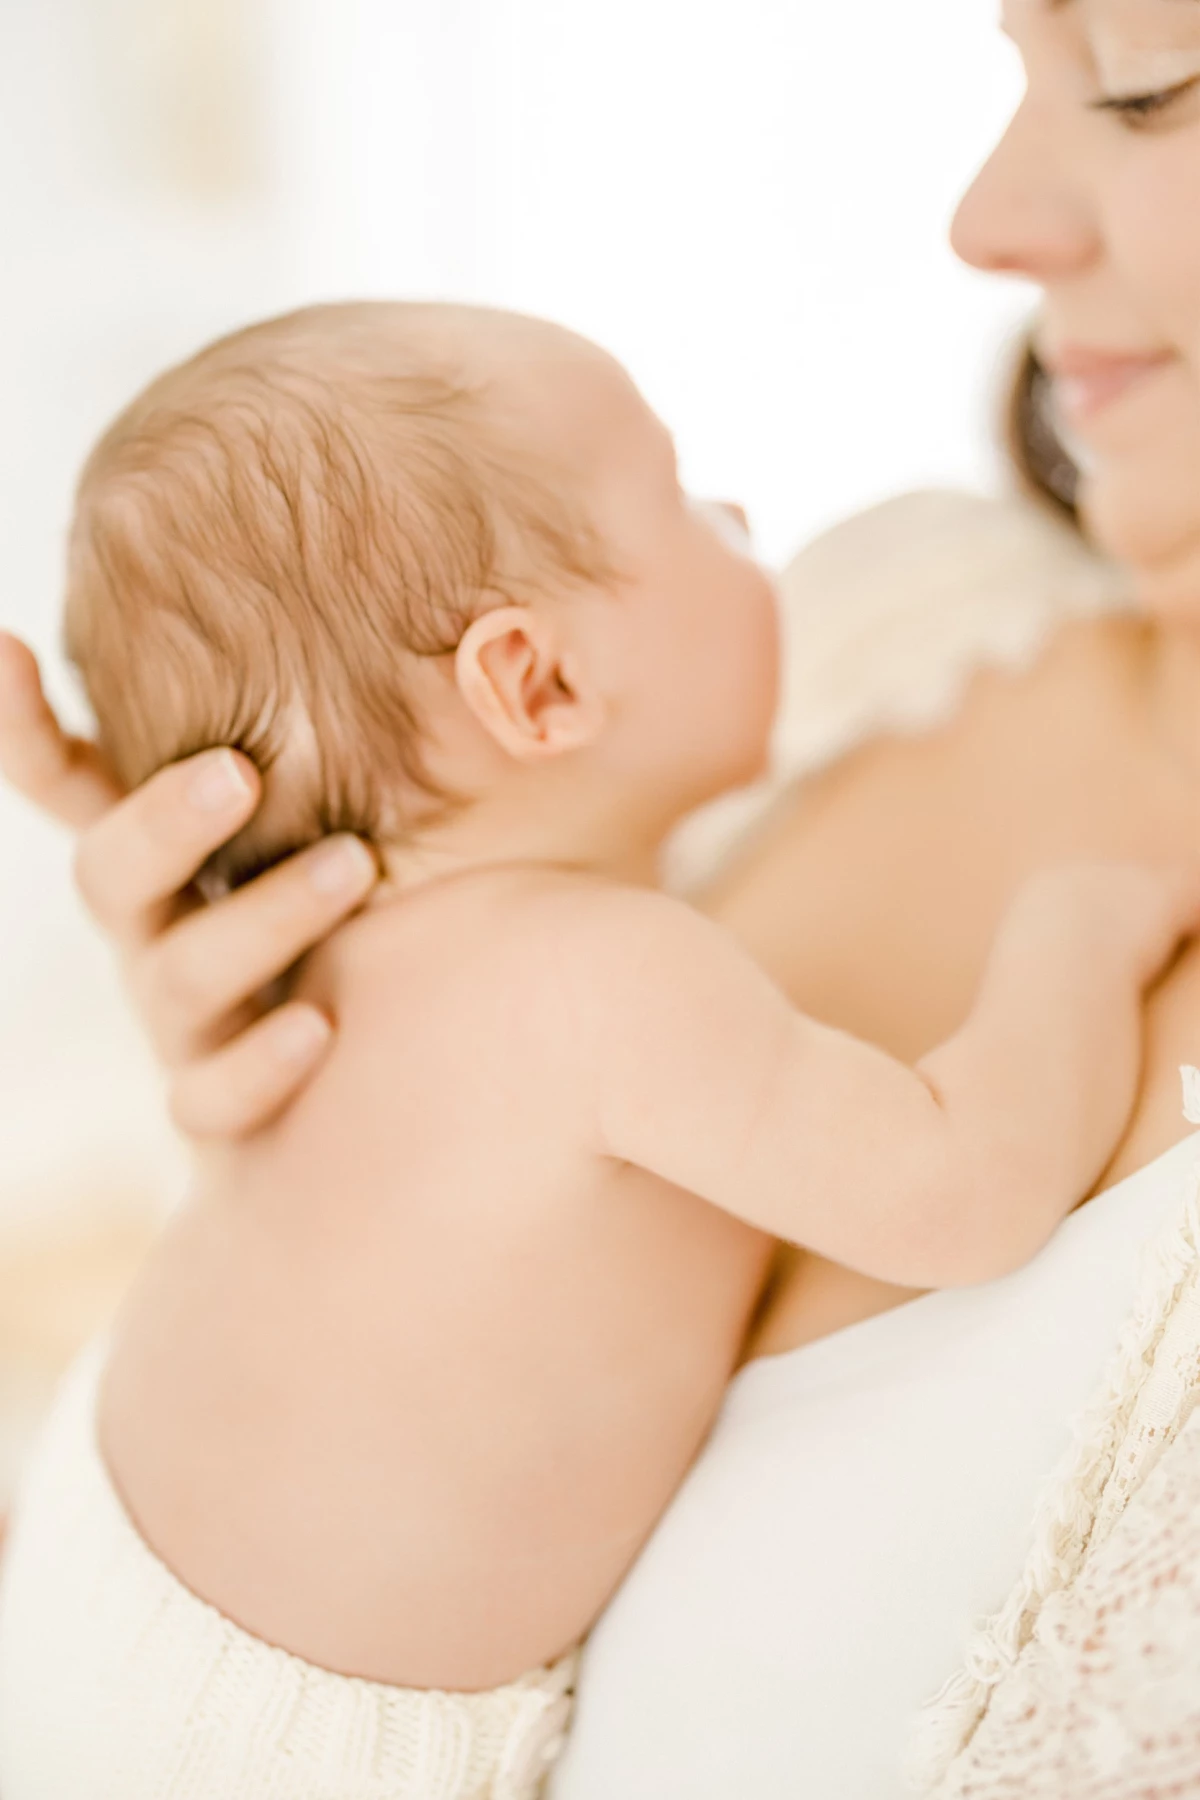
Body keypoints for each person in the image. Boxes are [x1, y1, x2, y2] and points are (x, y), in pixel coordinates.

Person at [4, 0, 1200, 1790]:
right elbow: (959, 1186)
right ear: (535, 689)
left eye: (1137, 83)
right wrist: (1075, 938)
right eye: (688, 512)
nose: (985, 218)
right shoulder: (644, 922)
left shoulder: (443, 952)